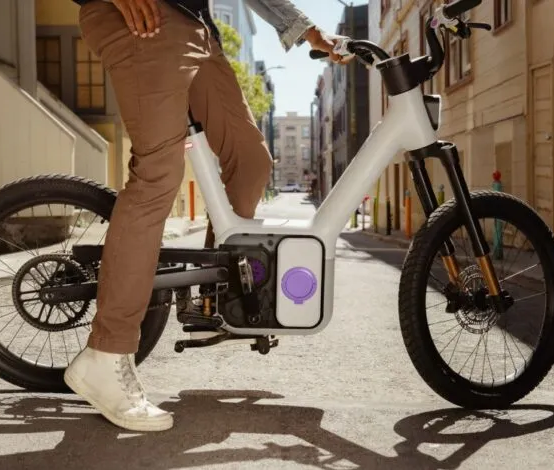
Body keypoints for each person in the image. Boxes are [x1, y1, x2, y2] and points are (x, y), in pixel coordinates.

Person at [63, 0, 351, 432]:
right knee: (158, 174)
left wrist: (306, 29)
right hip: (145, 17)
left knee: (251, 161)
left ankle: (214, 305)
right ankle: (105, 355)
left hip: (197, 28)